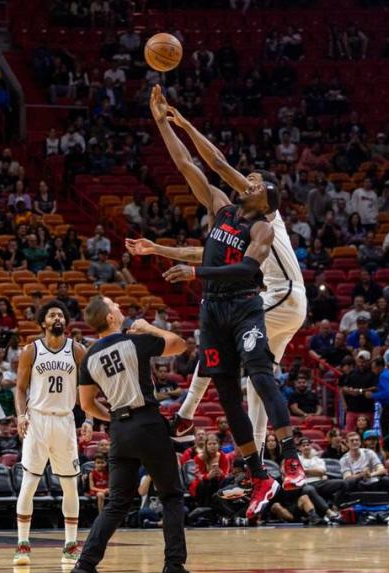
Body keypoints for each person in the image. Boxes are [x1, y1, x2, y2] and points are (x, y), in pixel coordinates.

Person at [127, 87, 306, 515]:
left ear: (266, 199)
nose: (251, 182)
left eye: (258, 183)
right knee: (242, 390)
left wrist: (184, 123)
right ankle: (258, 473)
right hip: (227, 304)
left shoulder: (266, 224)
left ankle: (278, 450)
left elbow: (241, 266)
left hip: (269, 296)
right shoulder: (223, 210)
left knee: (258, 374)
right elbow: (188, 166)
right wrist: (163, 125)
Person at [71, 295, 194, 573]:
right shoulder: (135, 341)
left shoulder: (88, 357)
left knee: (117, 503)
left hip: (120, 431)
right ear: (111, 318)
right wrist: (149, 327)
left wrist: (114, 417)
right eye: (114, 305)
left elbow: (87, 404)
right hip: (148, 423)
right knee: (172, 495)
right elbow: (179, 344)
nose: (119, 307)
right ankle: (174, 566)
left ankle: (86, 563)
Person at [12, 299, 87, 566]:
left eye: (61, 315)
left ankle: (70, 545)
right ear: (43, 321)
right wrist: (21, 415)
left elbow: (86, 389)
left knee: (70, 485)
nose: (57, 319)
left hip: (65, 421)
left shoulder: (77, 350)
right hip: (38, 420)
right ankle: (22, 544)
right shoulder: (31, 350)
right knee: (29, 483)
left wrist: (87, 418)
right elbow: (20, 389)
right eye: (52, 315)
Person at [366, 357, 389, 437]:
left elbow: (387, 393)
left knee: (387, 432)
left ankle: (388, 449)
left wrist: (372, 395)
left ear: (380, 367)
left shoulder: (383, 376)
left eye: (373, 368)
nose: (372, 370)